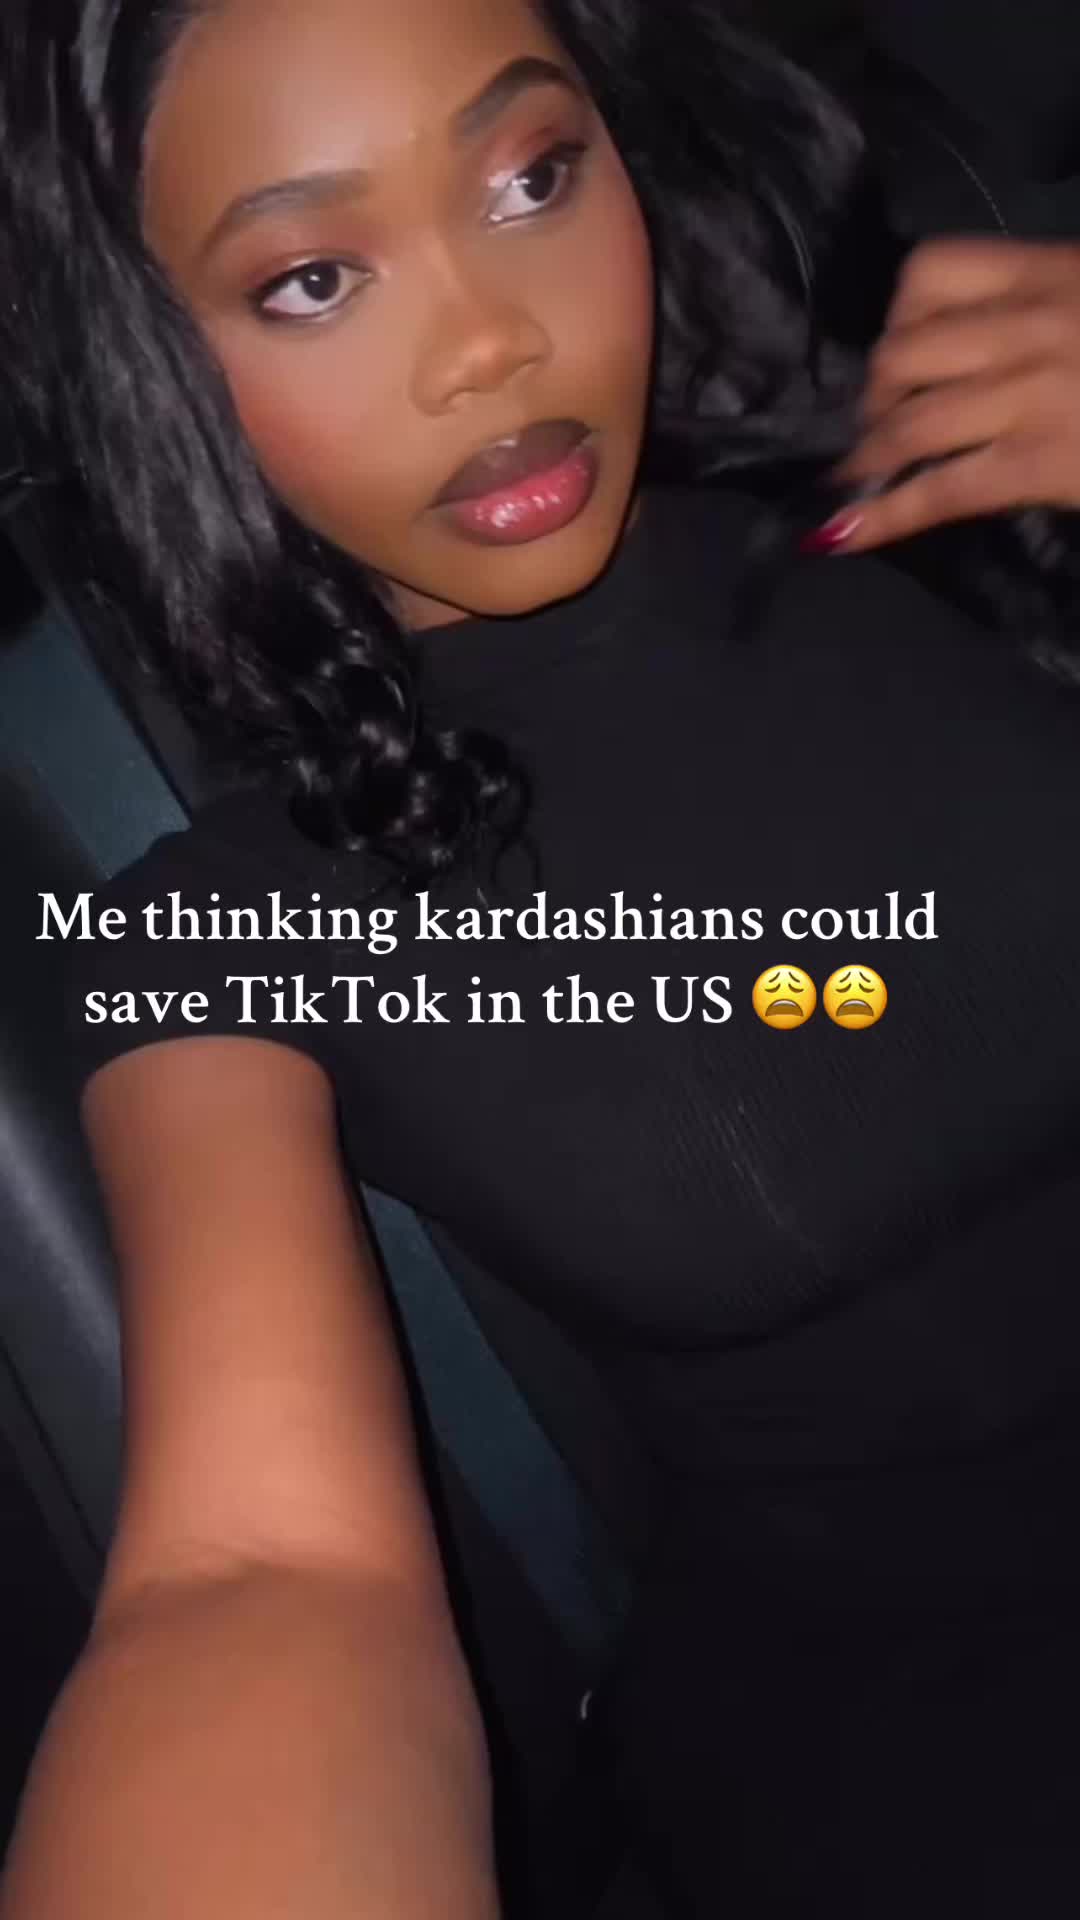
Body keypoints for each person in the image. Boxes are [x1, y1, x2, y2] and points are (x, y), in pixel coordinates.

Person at [3, 2, 1080, 1916]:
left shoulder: (965, 493)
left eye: (530, 178)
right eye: (313, 277)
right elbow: (257, 1579)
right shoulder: (237, 923)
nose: (491, 339)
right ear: (157, 363)